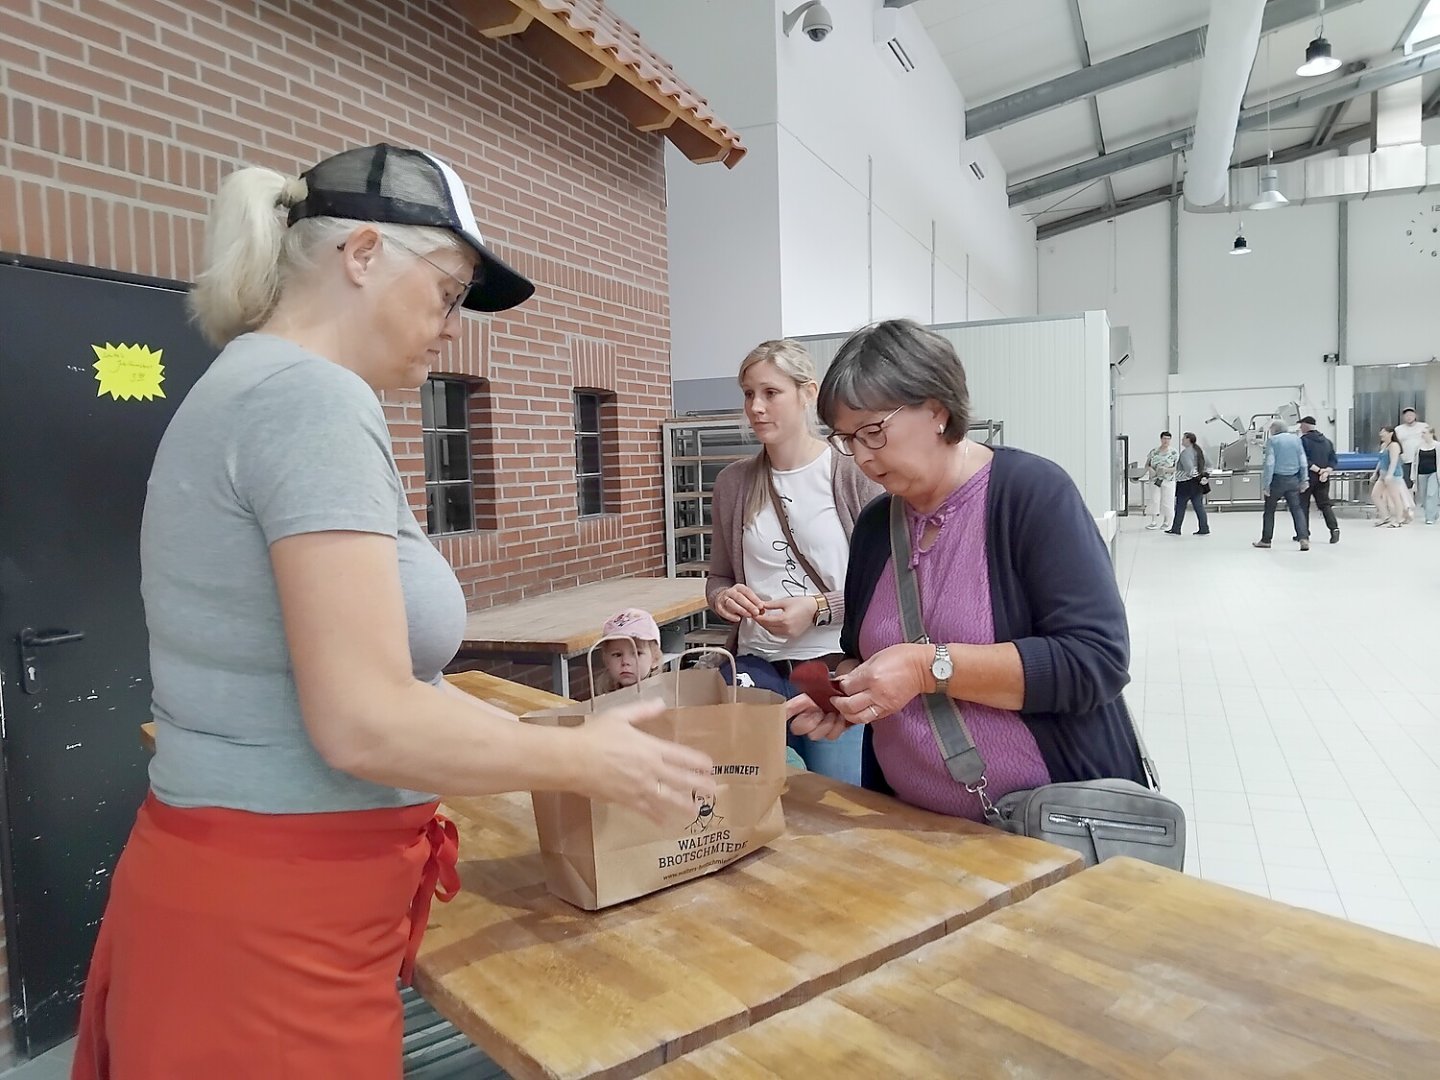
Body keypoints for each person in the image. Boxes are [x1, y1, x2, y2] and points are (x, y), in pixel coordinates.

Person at [71, 144, 715, 1080]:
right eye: (449, 291)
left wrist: (548, 727)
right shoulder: (309, 399)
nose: (453, 327)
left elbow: (391, 683)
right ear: (363, 253)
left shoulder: (253, 384)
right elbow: (364, 718)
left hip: (244, 893)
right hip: (274, 933)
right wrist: (578, 758)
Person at [784, 319, 1145, 822]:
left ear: (936, 409)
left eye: (873, 431)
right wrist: (847, 691)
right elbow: (859, 653)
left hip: (1045, 827)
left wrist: (925, 667)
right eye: (847, 438)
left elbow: (1095, 661)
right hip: (912, 824)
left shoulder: (1031, 495)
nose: (862, 456)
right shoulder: (875, 527)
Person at [706, 339, 882, 785]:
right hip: (755, 669)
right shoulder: (733, 483)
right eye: (748, 394)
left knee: (837, 804)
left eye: (771, 392)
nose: (756, 407)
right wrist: (725, 597)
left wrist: (819, 609)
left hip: (832, 669)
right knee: (751, 800)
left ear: (808, 393)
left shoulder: (852, 472)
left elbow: (889, 586)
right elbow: (719, 578)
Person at [1253, 420, 1310, 551]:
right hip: (1293, 480)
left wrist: (1266, 484)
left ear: (1275, 429)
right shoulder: (1296, 440)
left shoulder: (1273, 441)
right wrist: (1304, 479)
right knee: (1297, 510)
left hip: (1277, 480)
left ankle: (1266, 540)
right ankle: (1303, 538)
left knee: (1269, 511)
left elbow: (1269, 463)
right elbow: (1303, 461)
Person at [593, 609, 666, 695]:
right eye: (617, 655)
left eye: (637, 653)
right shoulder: (604, 695)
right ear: (606, 660)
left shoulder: (660, 697)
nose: (625, 662)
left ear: (655, 658)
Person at [1298, 416, 1340, 544]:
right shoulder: (1327, 441)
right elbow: (1333, 460)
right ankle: (1334, 529)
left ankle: (1304, 534)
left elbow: (1303, 460)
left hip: (1307, 477)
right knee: (1325, 504)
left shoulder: (1303, 441)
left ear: (1306, 425)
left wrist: (1318, 470)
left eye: (1301, 425)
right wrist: (1326, 471)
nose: (1300, 428)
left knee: (1303, 505)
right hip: (1323, 478)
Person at [1166, 432, 1209, 536]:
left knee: (1180, 507)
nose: (1182, 440)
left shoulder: (1185, 453)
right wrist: (1203, 477)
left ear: (1188, 440)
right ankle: (1204, 528)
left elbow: (1189, 469)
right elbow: (1208, 464)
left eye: (1183, 438)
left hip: (1185, 484)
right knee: (1199, 507)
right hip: (1197, 485)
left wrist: (1197, 476)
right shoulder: (1198, 451)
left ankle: (1176, 528)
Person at [1372, 425, 1410, 527]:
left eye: (1383, 432)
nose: (1381, 434)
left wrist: (1390, 474)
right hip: (1383, 475)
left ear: (1390, 433)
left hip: (1393, 475)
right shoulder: (1384, 445)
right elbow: (1381, 461)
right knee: (1375, 495)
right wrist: (1375, 473)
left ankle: (1399, 519)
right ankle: (1385, 516)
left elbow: (1394, 461)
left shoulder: (1394, 445)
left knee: (1395, 497)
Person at [1143, 431, 1178, 531]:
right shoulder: (1154, 451)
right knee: (1155, 499)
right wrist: (1151, 470)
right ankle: (1153, 520)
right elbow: (1147, 464)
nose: (1166, 441)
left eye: (1168, 439)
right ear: (1161, 439)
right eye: (1164, 438)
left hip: (1168, 480)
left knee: (1167, 500)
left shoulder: (1173, 452)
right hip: (1155, 480)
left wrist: (1166, 470)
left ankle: (1166, 521)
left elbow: (1176, 467)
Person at [1395, 406, 1425, 489]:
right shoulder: (1398, 429)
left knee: (1421, 485)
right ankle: (1409, 501)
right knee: (1407, 485)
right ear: (1403, 417)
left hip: (1421, 460)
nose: (1409, 417)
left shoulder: (1423, 427)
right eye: (1406, 415)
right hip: (1405, 461)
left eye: (1411, 414)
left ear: (1415, 415)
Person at [1416, 424, 1439, 525]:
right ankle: (1433, 513)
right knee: (1423, 496)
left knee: (1431, 494)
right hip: (1421, 473)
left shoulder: (1437, 446)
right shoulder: (1419, 447)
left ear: (1431, 434)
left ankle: (1430, 517)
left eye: (1424, 433)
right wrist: (1413, 476)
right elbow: (1415, 462)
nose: (1422, 435)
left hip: (1433, 472)